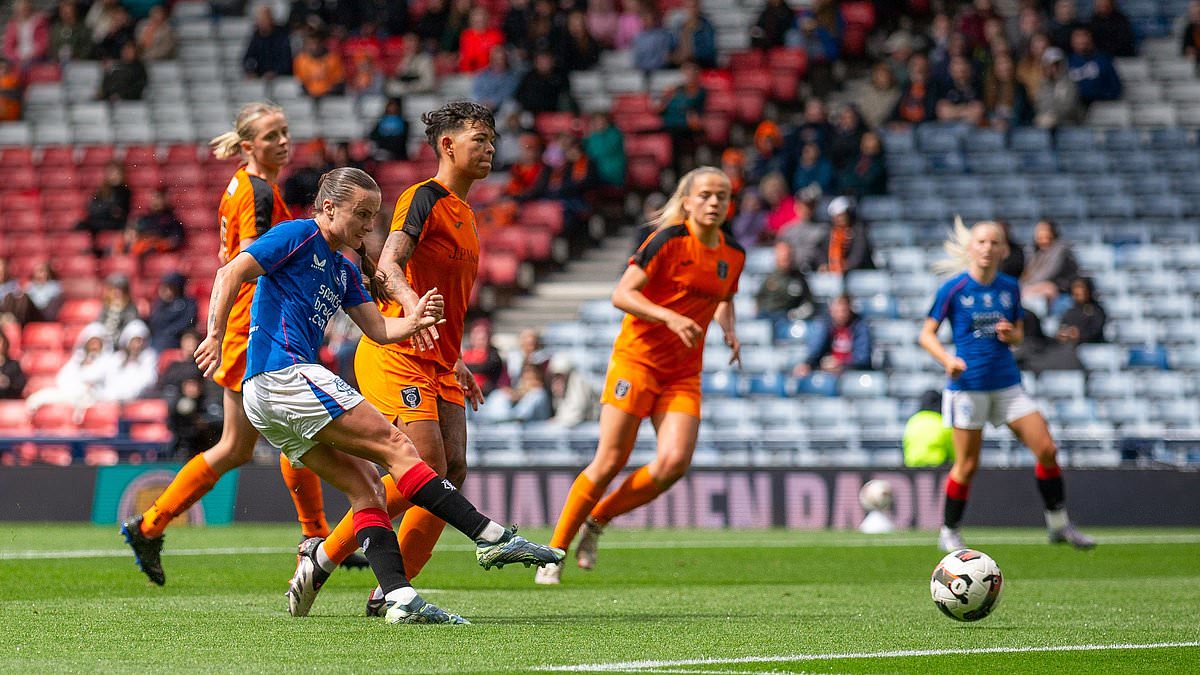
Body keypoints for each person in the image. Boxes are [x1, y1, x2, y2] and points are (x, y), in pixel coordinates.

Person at [191, 167, 562, 624]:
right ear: (329, 208)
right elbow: (230, 271)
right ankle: (491, 536)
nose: (369, 225)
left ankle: (398, 599)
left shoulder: (344, 269)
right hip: (284, 374)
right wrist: (214, 335)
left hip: (268, 395)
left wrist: (416, 319)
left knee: (367, 489)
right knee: (399, 448)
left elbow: (381, 330)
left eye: (373, 215)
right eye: (361, 214)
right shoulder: (298, 235)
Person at [120, 102, 357, 585]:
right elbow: (252, 263)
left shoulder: (244, 186)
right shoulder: (258, 192)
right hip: (259, 329)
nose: (284, 142)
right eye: (272, 136)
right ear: (248, 145)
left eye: (285, 132)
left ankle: (151, 525)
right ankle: (314, 538)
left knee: (242, 446)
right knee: (283, 435)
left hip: (252, 327)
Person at [301, 101, 501, 613]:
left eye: (492, 139)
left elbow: (449, 300)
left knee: (453, 470)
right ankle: (326, 557)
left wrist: (456, 359)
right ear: (447, 145)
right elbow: (389, 266)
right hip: (397, 350)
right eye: (479, 138)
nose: (490, 148)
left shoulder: (466, 214)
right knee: (426, 467)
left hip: (439, 359)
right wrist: (412, 305)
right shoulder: (423, 197)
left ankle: (387, 591)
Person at [536, 166, 745, 585]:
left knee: (673, 463)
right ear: (687, 201)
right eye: (705, 195)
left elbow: (723, 296)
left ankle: (598, 519)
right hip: (637, 362)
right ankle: (553, 553)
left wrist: (729, 329)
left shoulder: (733, 253)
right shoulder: (667, 241)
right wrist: (669, 317)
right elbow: (622, 294)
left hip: (683, 372)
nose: (713, 202)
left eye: (721, 196)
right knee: (610, 460)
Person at [920, 218, 1095, 553]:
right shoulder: (953, 288)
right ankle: (950, 531)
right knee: (967, 465)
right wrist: (947, 360)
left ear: (1003, 250)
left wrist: (1011, 335)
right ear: (971, 248)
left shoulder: (1010, 287)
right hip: (968, 386)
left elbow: (1018, 334)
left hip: (1007, 384)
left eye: (994, 242)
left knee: (1047, 449)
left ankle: (1058, 524)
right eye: (981, 242)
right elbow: (926, 335)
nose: (987, 248)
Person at [792, 294, 872, 377]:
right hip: (828, 373)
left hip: (852, 374)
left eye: (844, 310)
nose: (841, 314)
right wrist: (807, 364)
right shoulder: (825, 325)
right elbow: (816, 351)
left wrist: (840, 363)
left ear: (849, 309)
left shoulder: (860, 326)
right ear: (831, 311)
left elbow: (863, 358)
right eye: (837, 311)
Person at [755, 240, 815, 324]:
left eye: (787, 254)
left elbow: (808, 304)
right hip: (766, 316)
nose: (784, 256)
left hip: (786, 319)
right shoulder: (770, 276)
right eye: (781, 253)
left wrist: (794, 314)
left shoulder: (798, 278)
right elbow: (759, 298)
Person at [1021, 219, 1078, 304]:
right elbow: (1026, 274)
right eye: (1037, 231)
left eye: (1043, 230)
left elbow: (1049, 273)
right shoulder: (1036, 252)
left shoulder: (1061, 249)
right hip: (1037, 288)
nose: (1039, 233)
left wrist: (1030, 286)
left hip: (1061, 290)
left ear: (1052, 232)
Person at [124, 187, 185, 257]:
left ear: (165, 200)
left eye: (159, 198)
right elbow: (131, 238)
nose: (156, 201)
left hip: (162, 256)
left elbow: (175, 240)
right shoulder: (144, 219)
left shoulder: (172, 220)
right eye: (154, 198)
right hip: (142, 255)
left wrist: (158, 244)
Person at [147, 272, 197, 353]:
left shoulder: (189, 304)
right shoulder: (160, 304)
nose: (167, 291)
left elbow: (187, 323)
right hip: (156, 343)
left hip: (177, 341)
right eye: (165, 287)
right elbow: (154, 324)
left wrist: (169, 331)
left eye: (171, 287)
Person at [903, 390, 955, 468]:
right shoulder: (942, 421)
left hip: (912, 465)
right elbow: (952, 449)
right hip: (937, 466)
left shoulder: (913, 420)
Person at [0, 330, 27, 399]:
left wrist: (6, 382)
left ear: (4, 343)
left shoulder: (13, 366)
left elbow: (20, 386)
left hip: (8, 401)